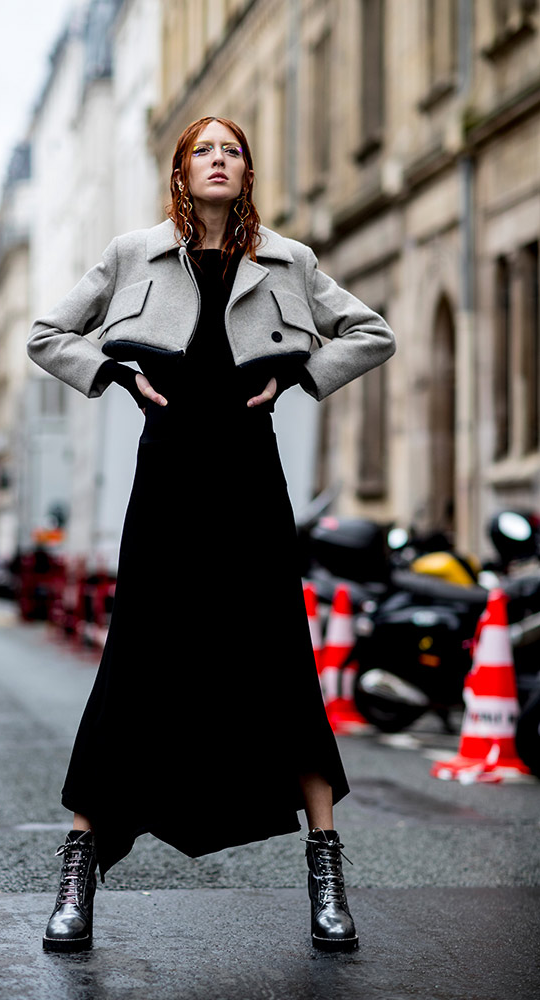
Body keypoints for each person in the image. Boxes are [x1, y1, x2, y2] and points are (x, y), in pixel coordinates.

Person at [26, 116, 396, 954]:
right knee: (137, 660)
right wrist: (114, 373)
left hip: (247, 480)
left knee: (277, 656)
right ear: (180, 171)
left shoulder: (288, 262)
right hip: (166, 482)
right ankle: (80, 870)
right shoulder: (132, 254)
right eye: (205, 150)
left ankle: (326, 870)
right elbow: (47, 334)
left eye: (233, 150)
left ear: (248, 171)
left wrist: (300, 372)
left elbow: (371, 331)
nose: (219, 160)